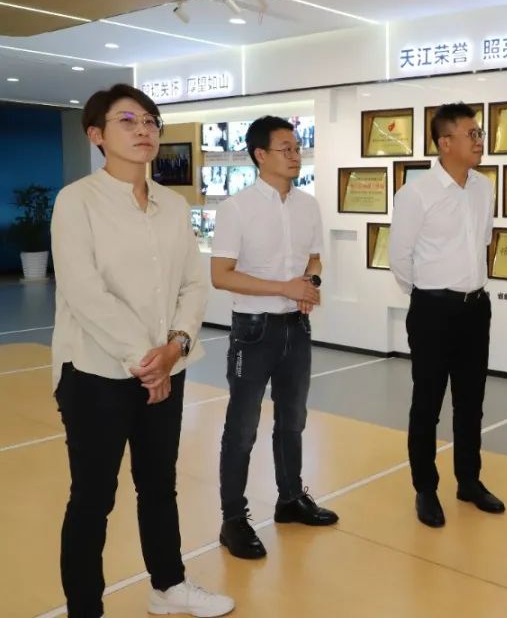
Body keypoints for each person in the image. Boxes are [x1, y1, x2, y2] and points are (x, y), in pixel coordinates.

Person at [51, 84, 234, 617]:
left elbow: (192, 284)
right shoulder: (77, 201)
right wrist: (146, 359)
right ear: (96, 134)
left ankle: (168, 585)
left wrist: (175, 348)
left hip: (166, 368)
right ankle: (85, 607)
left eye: (151, 121)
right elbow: (85, 292)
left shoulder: (172, 205)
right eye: (128, 121)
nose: (144, 130)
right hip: (95, 372)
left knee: (159, 485)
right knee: (93, 498)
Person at [212, 116, 337, 561]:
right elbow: (221, 275)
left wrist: (310, 284)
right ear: (260, 155)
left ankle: (290, 499)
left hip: (295, 329)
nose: (295, 155)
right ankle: (233, 519)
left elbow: (315, 259)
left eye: (297, 147)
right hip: (253, 331)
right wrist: (285, 287)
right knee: (242, 428)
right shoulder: (236, 208)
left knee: (292, 420)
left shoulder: (308, 206)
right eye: (286, 148)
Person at [389, 102, 504, 528]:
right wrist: (428, 295)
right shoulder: (416, 194)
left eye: (480, 133)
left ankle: (468, 481)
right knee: (428, 403)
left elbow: (484, 240)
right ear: (445, 142)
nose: (479, 141)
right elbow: (400, 259)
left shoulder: (483, 187)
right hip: (433, 310)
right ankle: (425, 488)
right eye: (472, 134)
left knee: (471, 402)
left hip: (476, 308)